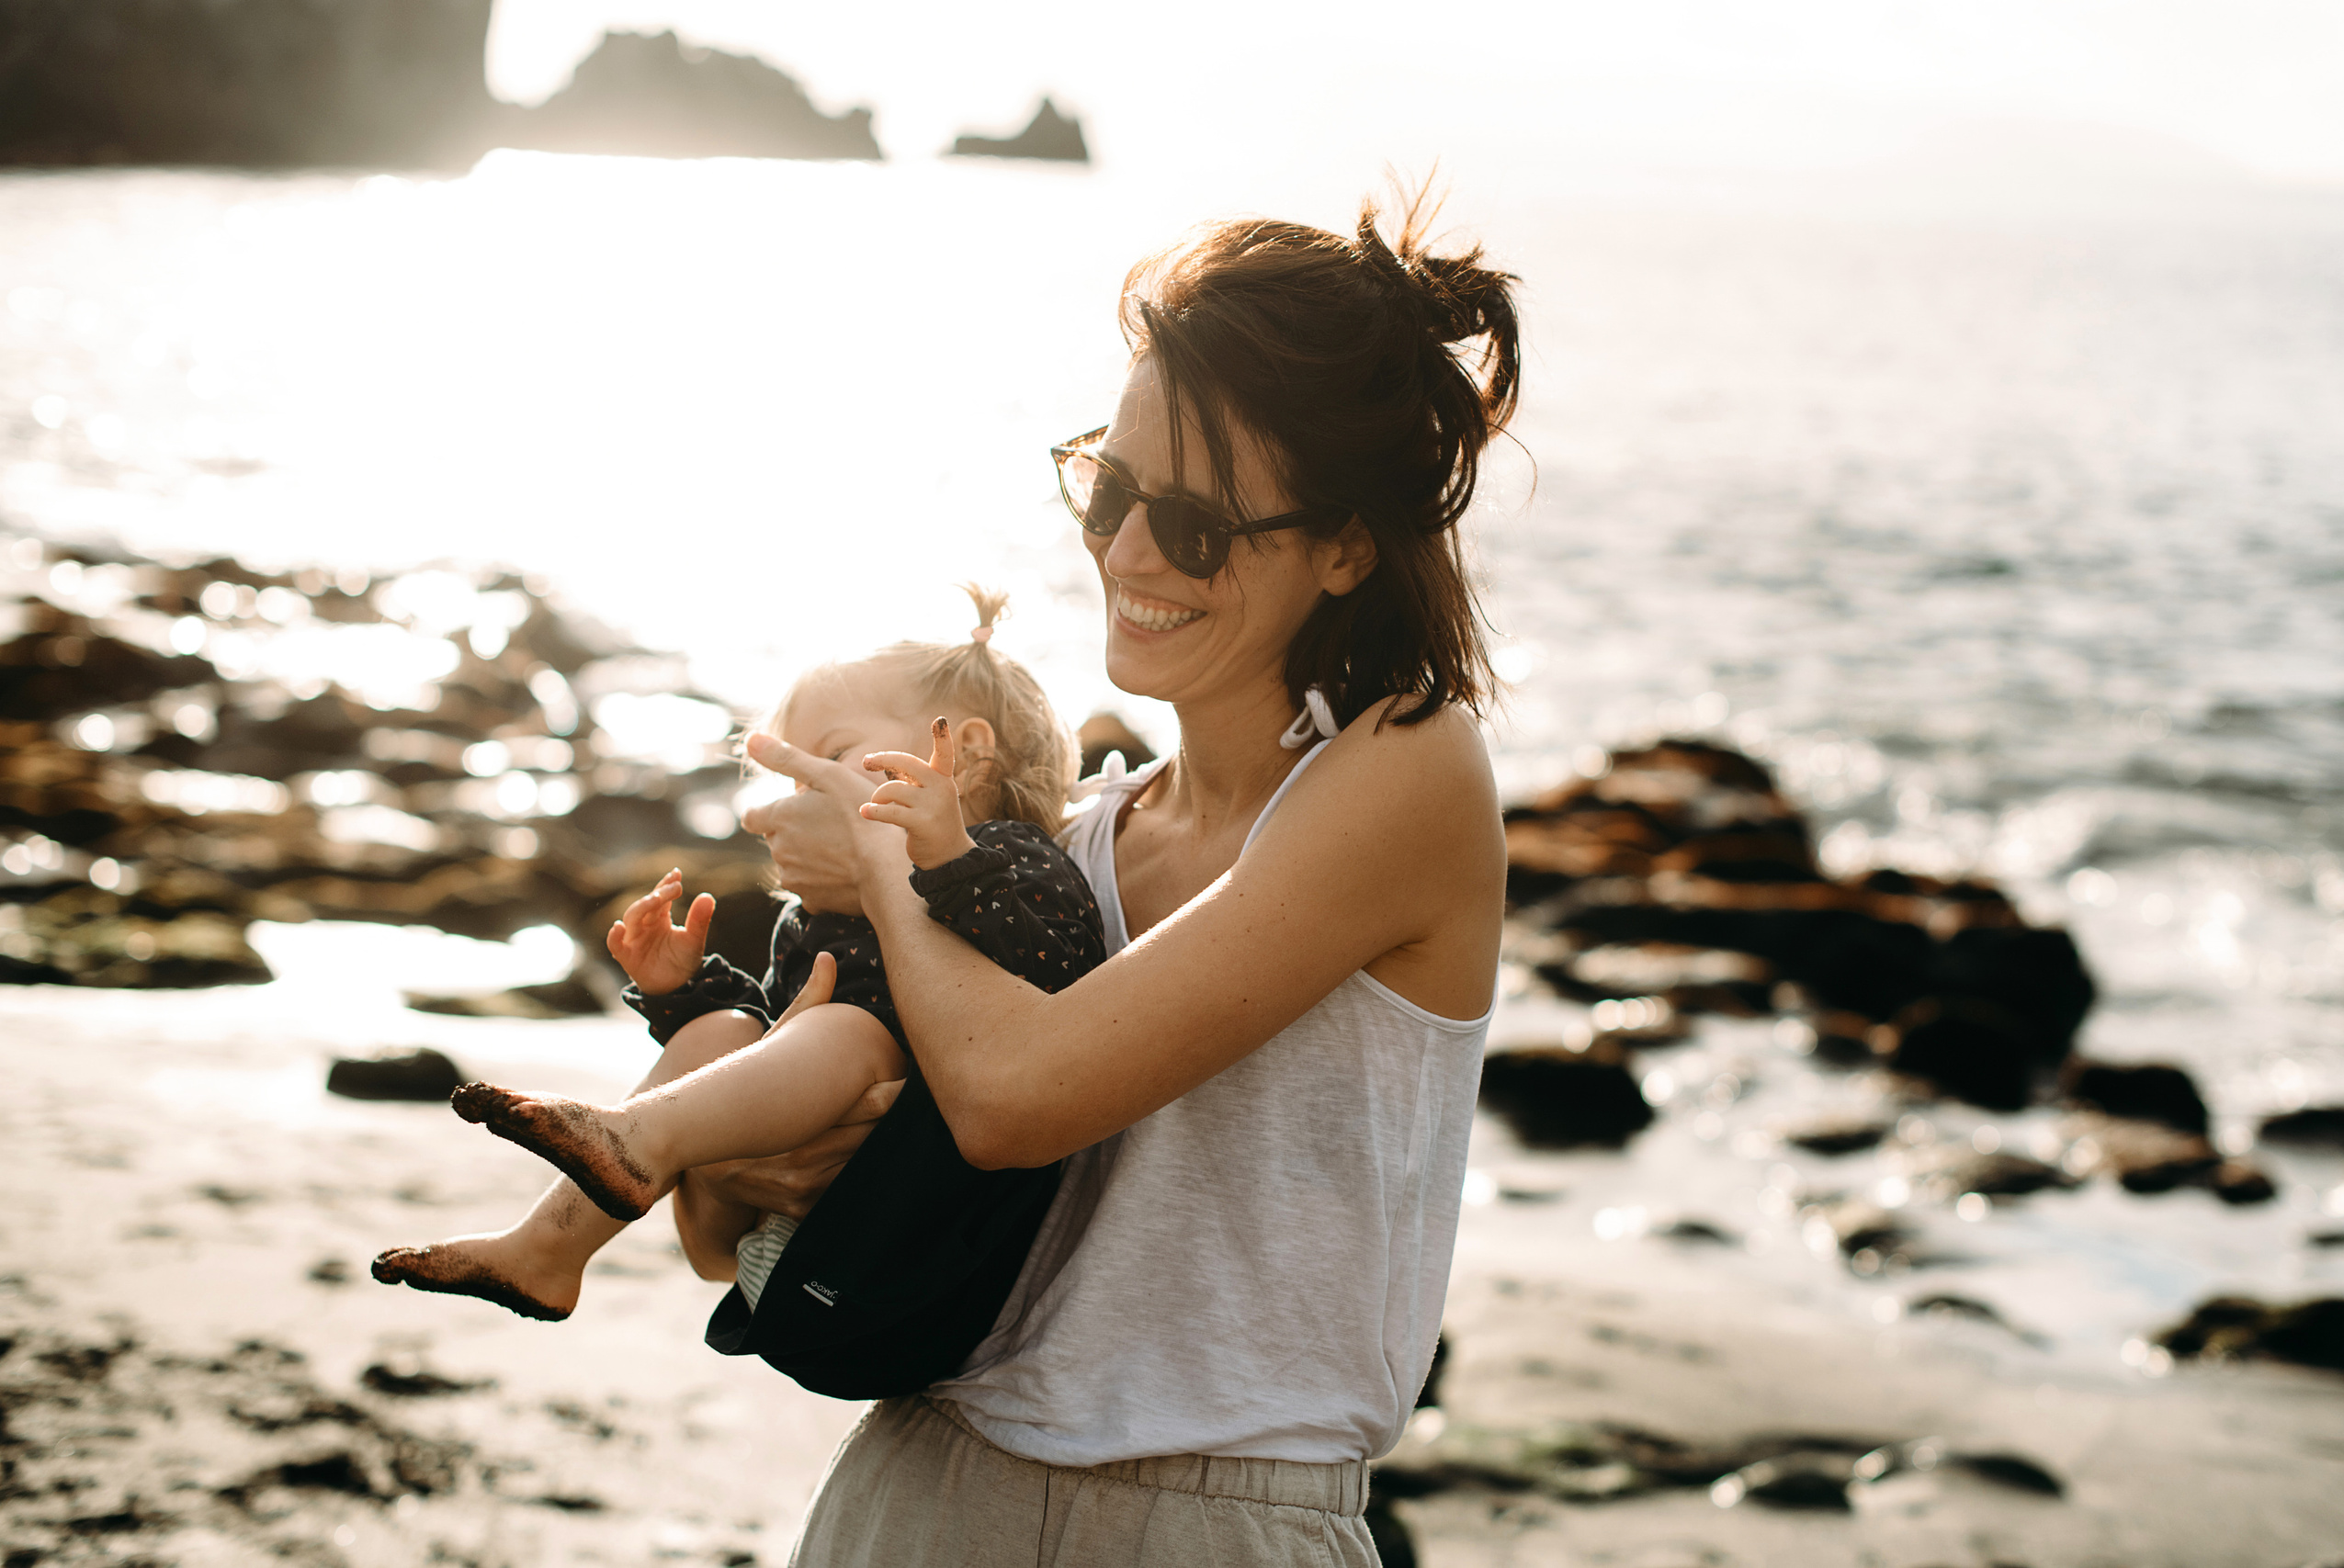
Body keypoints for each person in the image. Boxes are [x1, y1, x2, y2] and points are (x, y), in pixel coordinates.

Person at [731, 188, 1520, 1566]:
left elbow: (1012, 1097)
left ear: (1345, 546)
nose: (1129, 554)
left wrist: (882, 854)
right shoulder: (1070, 845)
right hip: (917, 1485)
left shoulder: (1410, 773)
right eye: (1112, 489)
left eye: (1200, 526)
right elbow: (727, 1239)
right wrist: (760, 1142)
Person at [368, 591, 1104, 1330]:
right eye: (793, 773)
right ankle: (546, 1250)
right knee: (724, 1030)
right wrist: (683, 993)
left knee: (849, 1028)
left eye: (837, 753)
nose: (804, 790)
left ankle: (637, 1136)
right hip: (791, 1239)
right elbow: (776, 1025)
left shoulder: (1014, 858)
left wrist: (940, 862)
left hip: (923, 1226)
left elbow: (1049, 961)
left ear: (968, 755)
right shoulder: (825, 906)